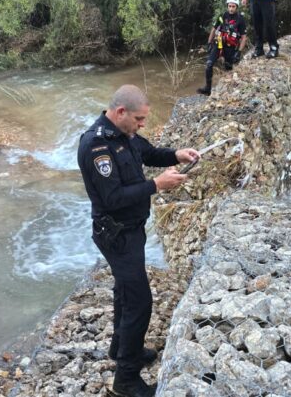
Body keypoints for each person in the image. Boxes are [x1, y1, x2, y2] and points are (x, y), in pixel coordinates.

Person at [76, 85, 199, 397]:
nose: (143, 124)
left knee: (125, 289)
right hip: (116, 233)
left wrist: (176, 154)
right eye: (140, 119)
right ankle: (126, 379)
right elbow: (113, 197)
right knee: (139, 301)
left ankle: (119, 347)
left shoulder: (125, 135)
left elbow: (148, 152)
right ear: (121, 113)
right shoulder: (97, 146)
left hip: (132, 228)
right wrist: (156, 185)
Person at [198, 0, 248, 96]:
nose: (231, 8)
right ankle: (208, 89)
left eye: (233, 6)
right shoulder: (222, 16)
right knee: (209, 65)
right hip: (219, 44)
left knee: (228, 69)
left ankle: (227, 92)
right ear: (227, 6)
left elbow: (244, 37)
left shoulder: (240, 20)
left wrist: (239, 52)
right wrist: (209, 43)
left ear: (236, 7)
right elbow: (213, 29)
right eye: (229, 6)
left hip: (231, 47)